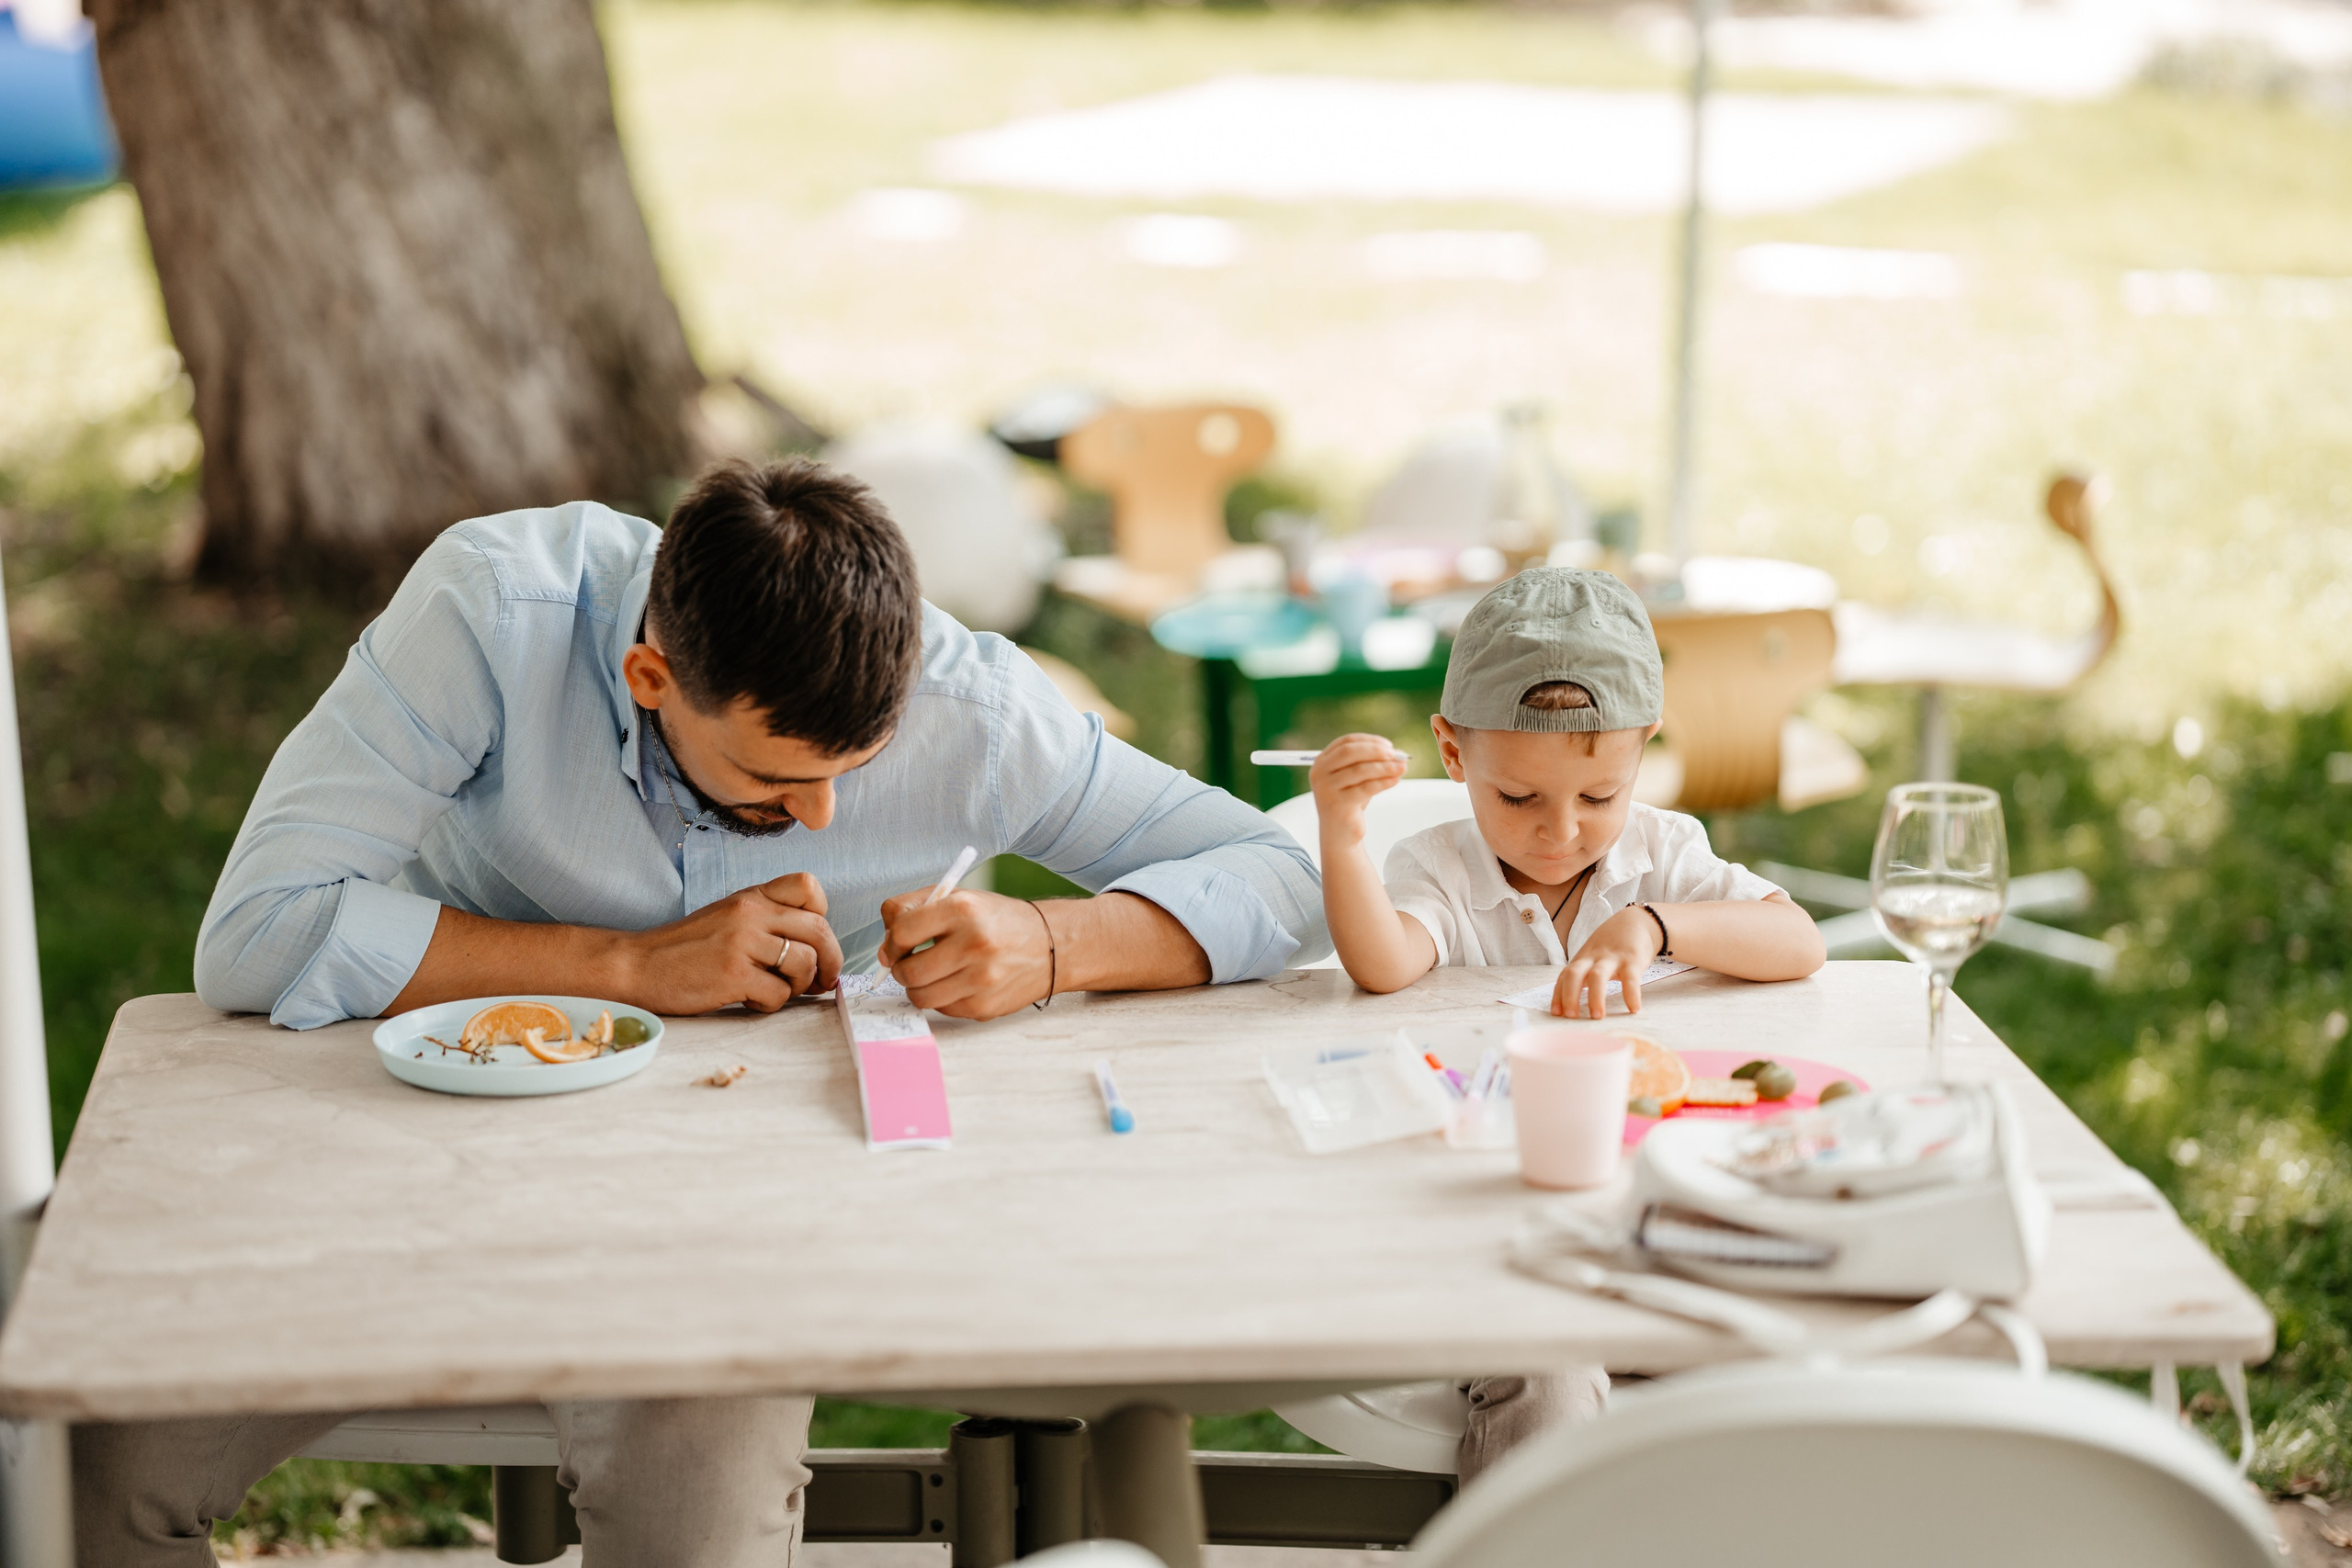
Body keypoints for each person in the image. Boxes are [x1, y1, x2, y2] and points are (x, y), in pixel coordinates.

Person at [74, 457, 1325, 1567]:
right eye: (779, 780)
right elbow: (258, 932)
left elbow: (1283, 874)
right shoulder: (488, 610)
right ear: (651, 676)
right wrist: (626, 967)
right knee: (102, 1469)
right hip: (431, 1126)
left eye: (856, 772)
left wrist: (1055, 939)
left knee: (697, 1535)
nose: (828, 821)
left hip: (739, 1206)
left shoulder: (974, 704)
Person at [1307, 566, 1825, 1481]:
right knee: (1548, 1382)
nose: (1559, 833)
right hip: (1491, 1238)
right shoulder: (1435, 866)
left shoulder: (1662, 854)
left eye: (1597, 798)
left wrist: (1657, 923)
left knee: (1788, 1367)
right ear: (1452, 751)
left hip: (1647, 1227)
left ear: (1643, 752)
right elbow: (1385, 964)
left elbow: (1797, 942)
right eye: (1518, 799)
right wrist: (1342, 841)